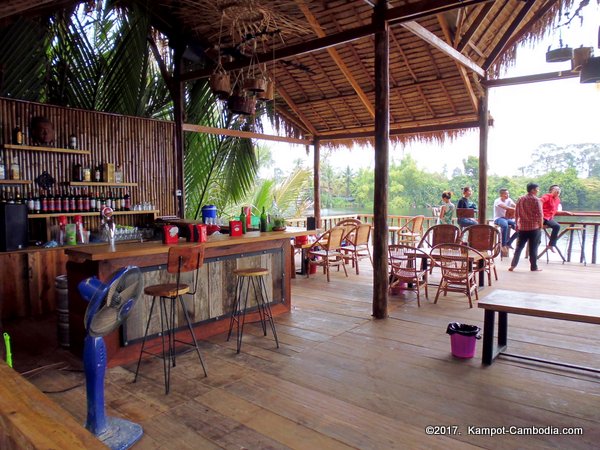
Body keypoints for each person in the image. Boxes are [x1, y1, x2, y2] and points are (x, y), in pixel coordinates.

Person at [509, 182, 544, 272]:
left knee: (519, 247)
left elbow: (516, 213)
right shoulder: (536, 200)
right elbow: (540, 214)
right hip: (534, 227)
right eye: (537, 189)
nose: (537, 191)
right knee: (533, 248)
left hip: (522, 227)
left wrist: (517, 224)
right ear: (532, 190)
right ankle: (533, 267)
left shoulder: (521, 199)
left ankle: (513, 265)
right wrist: (541, 225)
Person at [540, 185, 573, 253]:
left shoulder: (557, 199)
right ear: (551, 191)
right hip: (542, 217)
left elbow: (555, 210)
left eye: (559, 190)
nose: (558, 191)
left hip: (549, 218)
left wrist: (565, 212)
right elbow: (540, 201)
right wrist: (540, 212)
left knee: (557, 226)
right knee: (537, 232)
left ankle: (551, 245)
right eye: (556, 190)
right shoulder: (547, 196)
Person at [493, 188, 517, 252]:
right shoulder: (497, 201)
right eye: (505, 194)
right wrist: (514, 209)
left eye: (508, 193)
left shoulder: (509, 200)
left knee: (520, 227)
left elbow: (514, 205)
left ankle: (509, 242)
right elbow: (505, 207)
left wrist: (519, 207)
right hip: (498, 218)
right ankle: (503, 245)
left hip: (507, 219)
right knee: (505, 225)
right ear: (501, 195)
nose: (507, 195)